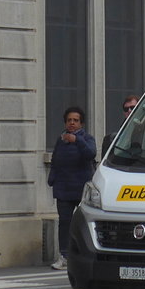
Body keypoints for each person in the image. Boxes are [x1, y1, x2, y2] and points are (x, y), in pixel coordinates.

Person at [47, 106, 96, 271]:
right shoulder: (61, 140)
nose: (72, 123)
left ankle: (86, 254)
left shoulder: (87, 139)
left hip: (81, 189)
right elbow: (55, 159)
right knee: (64, 223)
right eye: (69, 120)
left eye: (75, 120)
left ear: (81, 123)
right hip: (63, 188)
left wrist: (77, 141)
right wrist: (52, 178)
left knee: (84, 223)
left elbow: (91, 154)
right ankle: (65, 256)